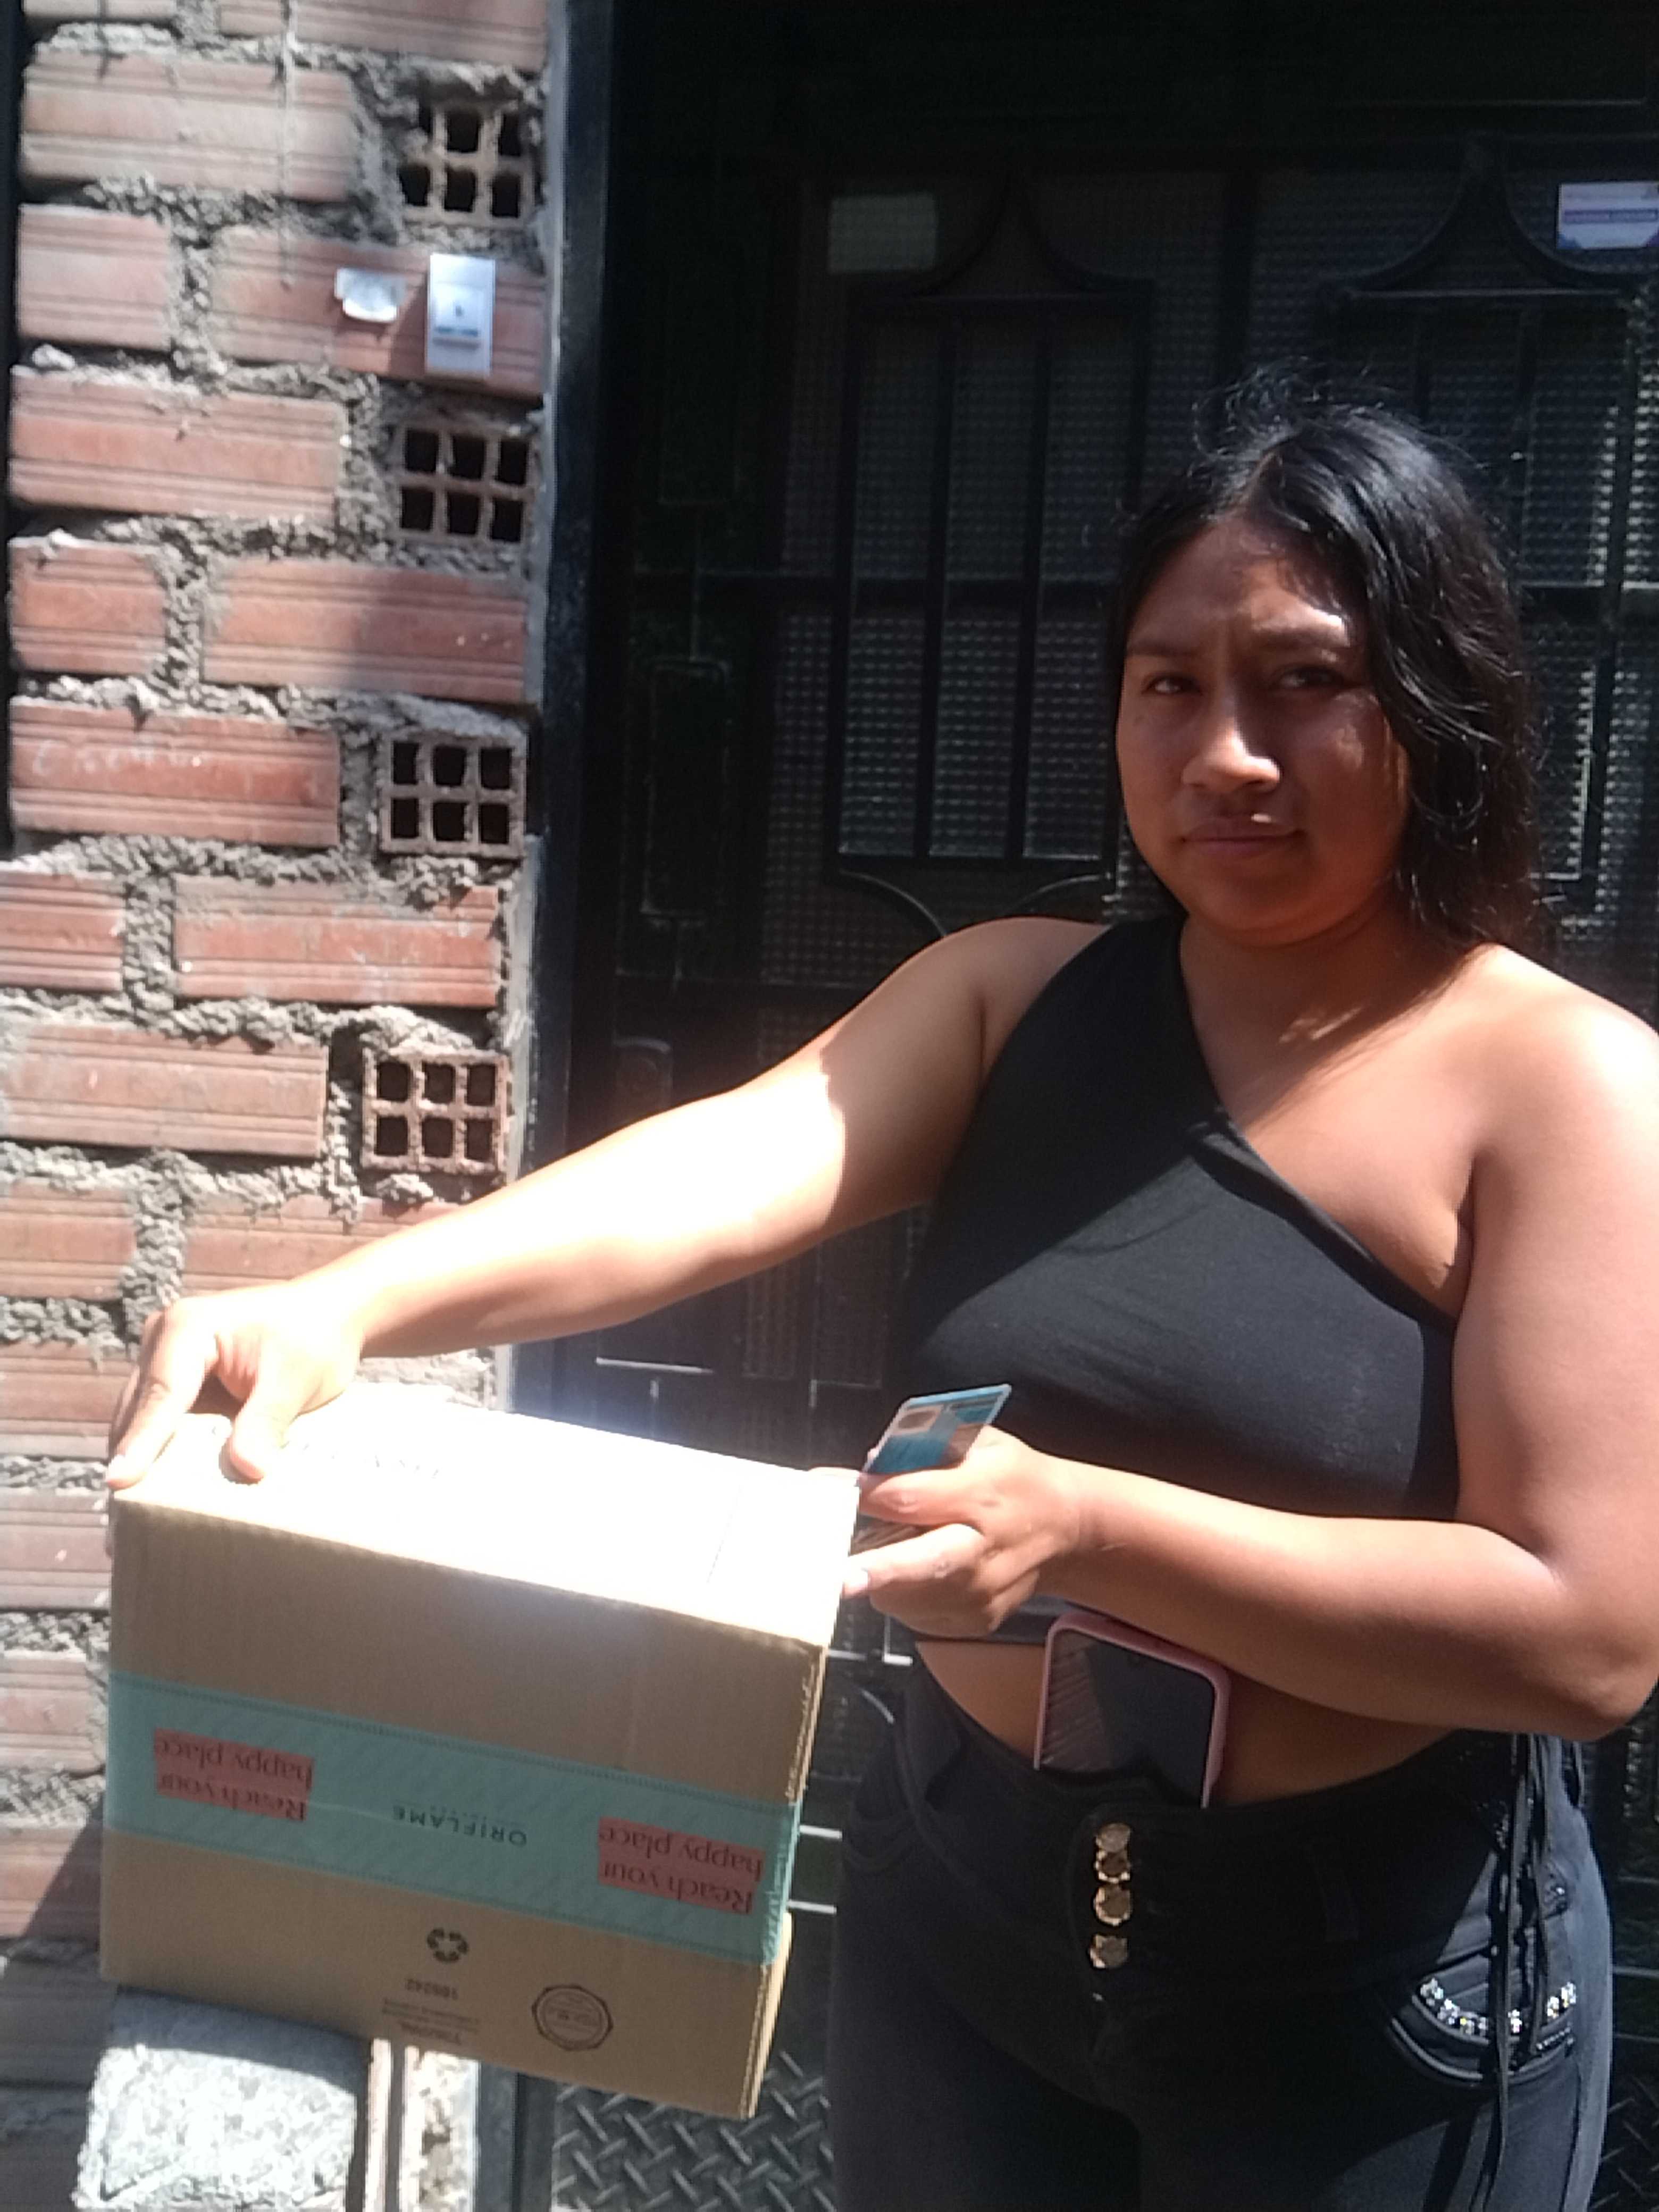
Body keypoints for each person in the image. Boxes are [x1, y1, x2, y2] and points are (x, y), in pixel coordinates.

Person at [106, 384, 1659, 2212]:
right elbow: (723, 1167)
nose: (1226, 751)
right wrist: (349, 1304)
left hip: (1365, 1994)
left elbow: (1583, 1635)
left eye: (1305, 680)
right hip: (968, 1917)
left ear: (1437, 696)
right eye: (1168, 683)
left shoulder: (1566, 1088)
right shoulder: (1020, 999)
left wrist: (1092, 1533)